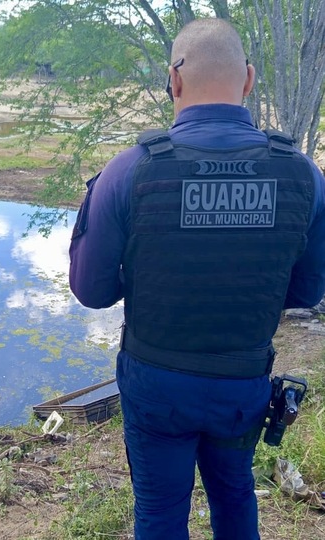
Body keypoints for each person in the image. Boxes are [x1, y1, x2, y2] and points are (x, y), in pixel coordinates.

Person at [68, 17, 325, 540]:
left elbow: (91, 291)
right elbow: (307, 290)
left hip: (157, 384)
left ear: (174, 80)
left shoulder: (128, 171)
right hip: (243, 384)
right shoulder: (304, 174)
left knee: (160, 510)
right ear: (248, 79)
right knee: (235, 494)